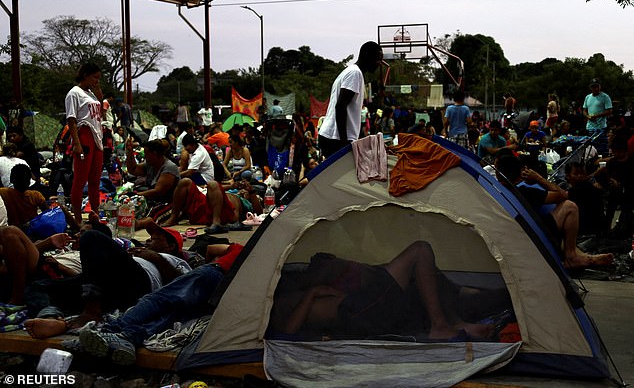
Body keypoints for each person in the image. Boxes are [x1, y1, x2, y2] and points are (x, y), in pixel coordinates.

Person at [23, 243, 244, 365]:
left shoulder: (181, 262)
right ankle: (127, 338)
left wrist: (158, 257)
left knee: (159, 300)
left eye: (157, 238)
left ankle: (107, 329)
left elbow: (212, 250)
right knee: (171, 315)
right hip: (225, 295)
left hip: (216, 274)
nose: (149, 241)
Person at [276, 241, 496, 341]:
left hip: (359, 307)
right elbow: (289, 331)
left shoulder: (286, 289)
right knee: (420, 251)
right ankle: (440, 326)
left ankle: (454, 322)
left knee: (418, 277)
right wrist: (312, 293)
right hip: (357, 312)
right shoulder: (274, 305)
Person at [495, 154, 613, 270]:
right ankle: (572, 257)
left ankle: (585, 257)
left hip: (513, 235)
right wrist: (538, 178)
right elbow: (563, 195)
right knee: (570, 207)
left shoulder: (494, 190)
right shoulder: (524, 191)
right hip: (531, 235)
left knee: (560, 235)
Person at [318, 41, 383, 158]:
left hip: (334, 137)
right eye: (378, 59)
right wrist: (344, 144)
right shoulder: (354, 73)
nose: (379, 63)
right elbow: (341, 106)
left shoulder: (352, 72)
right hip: (336, 138)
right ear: (368, 57)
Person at [65, 63, 105, 225]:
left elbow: (101, 110)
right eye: (95, 77)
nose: (97, 81)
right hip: (84, 134)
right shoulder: (74, 93)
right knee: (80, 180)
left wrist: (97, 91)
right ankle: (77, 218)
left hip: (97, 137)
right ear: (85, 75)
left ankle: (94, 214)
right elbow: (72, 120)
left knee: (95, 180)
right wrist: (77, 143)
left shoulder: (91, 94)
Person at [125, 138, 179, 206]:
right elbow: (133, 169)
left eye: (146, 154)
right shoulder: (150, 164)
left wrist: (136, 195)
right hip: (155, 202)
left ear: (154, 154)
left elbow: (158, 191)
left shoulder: (170, 167)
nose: (145, 156)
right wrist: (129, 151)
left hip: (168, 204)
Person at [583, 78, 612, 155]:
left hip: (601, 128)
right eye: (593, 86)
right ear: (590, 87)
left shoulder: (605, 97)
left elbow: (609, 111)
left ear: (600, 86)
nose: (595, 88)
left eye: (596, 86)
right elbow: (584, 110)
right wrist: (588, 116)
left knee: (602, 150)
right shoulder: (587, 97)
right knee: (591, 150)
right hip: (590, 127)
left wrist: (597, 116)